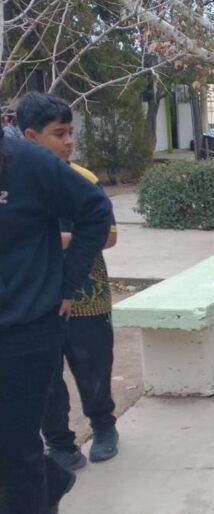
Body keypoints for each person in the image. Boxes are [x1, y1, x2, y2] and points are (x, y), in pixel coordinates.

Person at [0, 126, 113, 514]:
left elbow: (96, 212)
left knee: (13, 446)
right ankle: (53, 478)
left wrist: (65, 282)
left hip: (25, 326)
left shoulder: (28, 163)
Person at [17, 93, 120, 470]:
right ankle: (60, 443)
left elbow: (107, 236)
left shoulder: (83, 180)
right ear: (30, 137)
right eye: (58, 133)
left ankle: (104, 426)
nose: (69, 141)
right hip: (38, 299)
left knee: (93, 366)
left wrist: (54, 239)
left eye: (70, 132)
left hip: (87, 293)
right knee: (45, 381)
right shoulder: (17, 183)